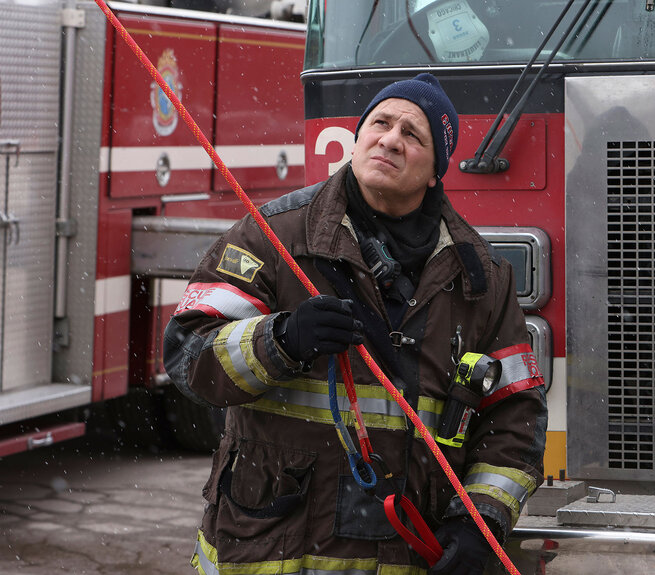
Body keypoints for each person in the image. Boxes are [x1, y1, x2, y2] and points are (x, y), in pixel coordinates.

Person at [163, 73, 548, 575]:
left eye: (413, 134)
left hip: (405, 555)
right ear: (358, 136)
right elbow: (187, 356)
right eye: (380, 123)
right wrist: (280, 340)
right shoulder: (275, 237)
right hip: (271, 550)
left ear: (436, 171)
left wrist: (481, 520)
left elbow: (514, 417)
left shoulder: (480, 278)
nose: (390, 139)